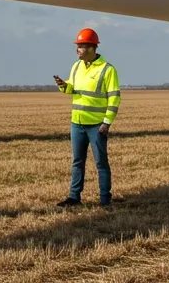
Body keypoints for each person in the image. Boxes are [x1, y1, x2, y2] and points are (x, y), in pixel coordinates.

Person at [53, 27, 120, 208]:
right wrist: (63, 86)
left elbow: (114, 98)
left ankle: (105, 200)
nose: (78, 50)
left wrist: (107, 122)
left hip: (97, 125)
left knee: (101, 163)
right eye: (78, 46)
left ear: (92, 48)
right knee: (77, 161)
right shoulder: (76, 66)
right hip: (77, 122)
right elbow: (72, 90)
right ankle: (74, 198)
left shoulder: (108, 70)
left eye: (81, 46)